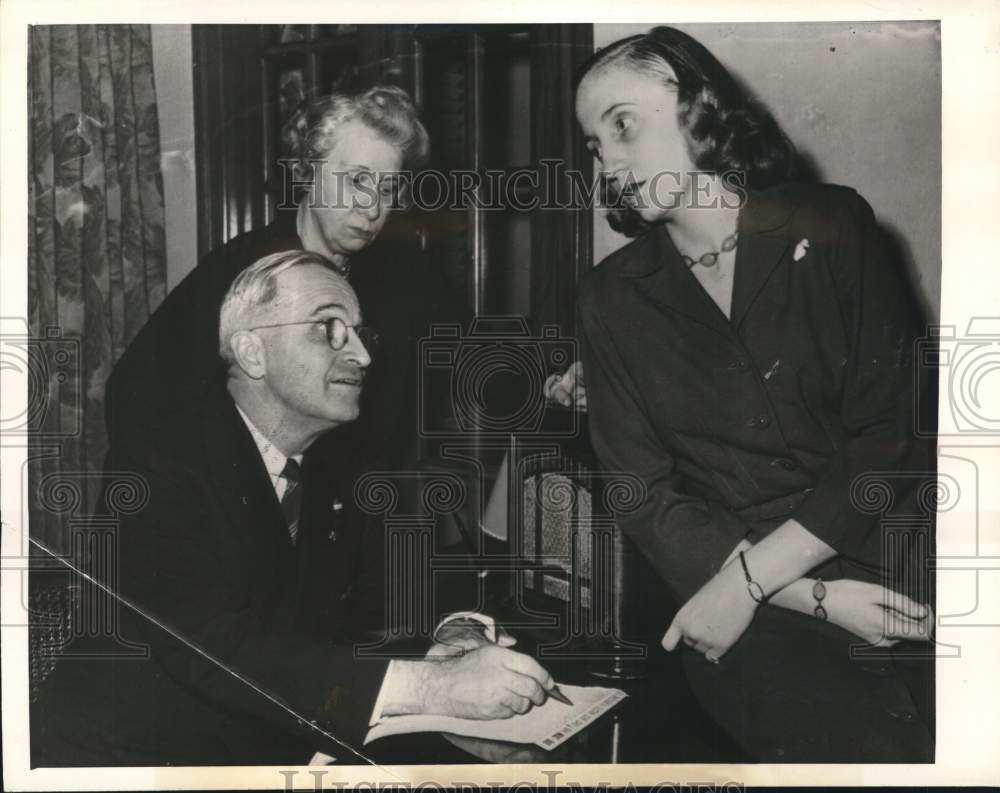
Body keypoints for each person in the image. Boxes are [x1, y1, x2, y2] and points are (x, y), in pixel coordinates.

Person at [32, 251, 555, 766]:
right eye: (329, 328)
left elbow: (387, 597)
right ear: (253, 353)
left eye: (360, 333)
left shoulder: (341, 466)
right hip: (129, 762)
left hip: (273, 750)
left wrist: (451, 630)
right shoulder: (157, 461)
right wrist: (430, 687)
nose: (363, 355)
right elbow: (216, 651)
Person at [572, 26, 936, 762]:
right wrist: (790, 593)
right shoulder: (611, 298)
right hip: (758, 616)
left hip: (902, 549)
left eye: (622, 126)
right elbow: (643, 494)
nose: (607, 160)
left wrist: (748, 581)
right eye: (592, 143)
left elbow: (888, 438)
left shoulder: (834, 226)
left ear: (696, 107)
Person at [105, 84, 464, 478]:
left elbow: (478, 353)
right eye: (357, 181)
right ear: (307, 172)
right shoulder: (239, 270)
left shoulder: (404, 273)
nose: (373, 207)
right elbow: (133, 394)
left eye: (387, 188)